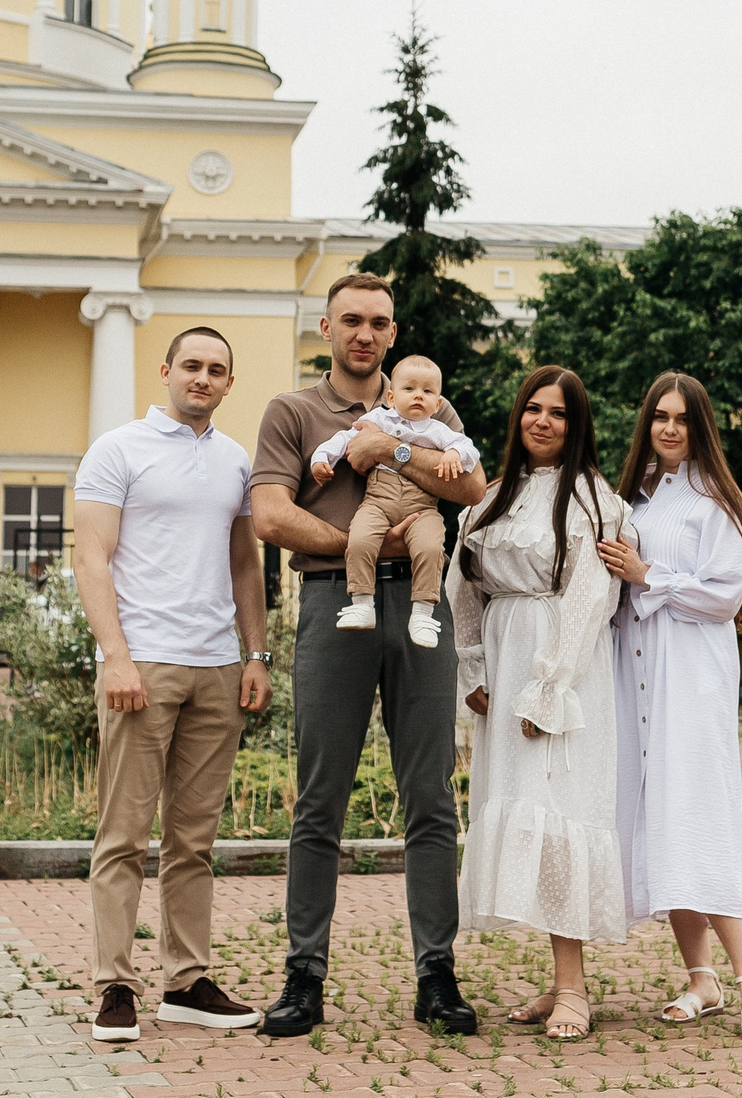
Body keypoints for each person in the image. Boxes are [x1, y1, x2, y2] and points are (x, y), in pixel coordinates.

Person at [248, 273, 486, 1037]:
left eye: (378, 321)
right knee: (320, 799)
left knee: (432, 798)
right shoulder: (293, 410)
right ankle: (304, 973)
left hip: (420, 602)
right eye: (351, 319)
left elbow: (474, 484)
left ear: (392, 330)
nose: (365, 332)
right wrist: (360, 540)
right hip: (334, 601)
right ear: (326, 327)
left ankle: (436, 973)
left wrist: (391, 447)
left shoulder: (426, 398)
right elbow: (271, 513)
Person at [69, 326, 274, 1045]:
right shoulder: (118, 449)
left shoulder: (234, 460)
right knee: (123, 834)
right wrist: (116, 656)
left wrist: (258, 653)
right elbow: (90, 556)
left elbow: (246, 564)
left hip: (218, 666)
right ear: (166, 370)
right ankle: (115, 985)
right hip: (144, 664)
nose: (203, 377)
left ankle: (187, 981)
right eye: (192, 364)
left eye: (217, 368)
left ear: (228, 382)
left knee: (193, 838)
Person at [447, 364, 634, 1044]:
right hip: (503, 660)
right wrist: (472, 660)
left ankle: (576, 988)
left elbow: (590, 599)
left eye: (557, 411)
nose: (543, 421)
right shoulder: (490, 496)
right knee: (526, 809)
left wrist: (549, 686)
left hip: (562, 672)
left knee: (560, 812)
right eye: (533, 407)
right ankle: (558, 979)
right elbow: (462, 583)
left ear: (576, 422)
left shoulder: (594, 501)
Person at [595, 372, 742, 1040]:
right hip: (637, 672)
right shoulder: (638, 500)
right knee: (659, 819)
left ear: (701, 426)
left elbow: (724, 595)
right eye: (659, 417)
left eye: (681, 418)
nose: (668, 428)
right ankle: (700, 977)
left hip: (690, 676)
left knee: (698, 814)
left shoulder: (715, 502)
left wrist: (650, 576)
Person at [307, 354, 481, 646]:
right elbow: (344, 438)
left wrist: (454, 454)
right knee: (360, 539)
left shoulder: (438, 430)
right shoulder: (378, 419)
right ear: (390, 396)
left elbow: (469, 451)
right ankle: (362, 603)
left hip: (422, 507)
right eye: (409, 389)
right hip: (378, 500)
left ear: (438, 404)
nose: (418, 396)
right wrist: (321, 458)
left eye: (428, 391)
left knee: (430, 547)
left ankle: (424, 613)